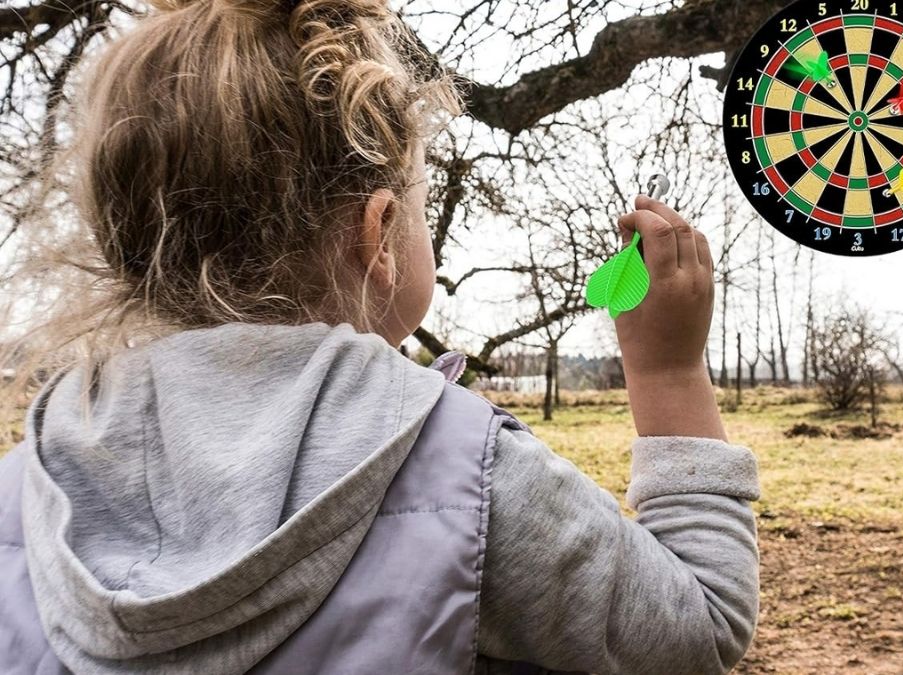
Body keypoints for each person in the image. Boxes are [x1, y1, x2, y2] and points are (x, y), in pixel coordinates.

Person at [0, 0, 761, 672]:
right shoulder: (471, 475)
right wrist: (668, 372)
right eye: (420, 201)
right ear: (381, 236)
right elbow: (698, 626)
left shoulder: (22, 493)